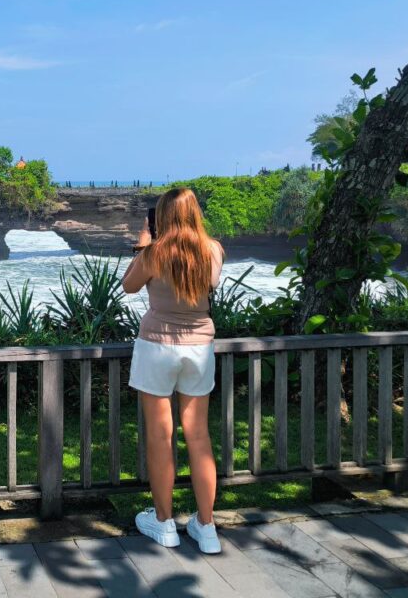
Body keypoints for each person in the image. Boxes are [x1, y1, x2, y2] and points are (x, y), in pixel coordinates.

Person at [122, 187, 224, 554]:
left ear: (161, 216)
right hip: (199, 348)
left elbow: (129, 286)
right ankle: (207, 526)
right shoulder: (212, 249)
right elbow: (208, 286)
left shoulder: (155, 252)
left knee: (160, 435)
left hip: (157, 346)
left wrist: (142, 245)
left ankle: (164, 523)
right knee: (198, 437)